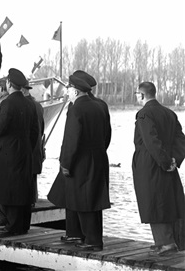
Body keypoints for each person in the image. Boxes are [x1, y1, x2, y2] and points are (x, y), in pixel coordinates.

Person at [47, 74, 111, 251]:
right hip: (98, 158)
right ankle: (91, 238)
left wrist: (66, 163)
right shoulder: (100, 106)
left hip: (80, 161)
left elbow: (71, 139)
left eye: (68, 89)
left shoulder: (77, 109)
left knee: (83, 201)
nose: (67, 91)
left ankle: (91, 241)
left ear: (75, 91)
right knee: (93, 200)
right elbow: (107, 135)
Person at [0, 68, 39, 236]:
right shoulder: (30, 104)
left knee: (7, 189)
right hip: (25, 151)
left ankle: (12, 226)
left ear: (9, 84)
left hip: (7, 153)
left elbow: (1, 125)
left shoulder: (8, 103)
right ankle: (23, 225)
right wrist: (28, 145)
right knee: (22, 189)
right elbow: (35, 130)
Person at [132, 81, 185, 255]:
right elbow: (181, 140)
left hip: (151, 165)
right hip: (167, 163)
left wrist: (164, 162)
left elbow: (151, 142)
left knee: (154, 202)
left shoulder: (144, 114)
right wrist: (175, 160)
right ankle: (164, 242)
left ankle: (166, 243)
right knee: (167, 201)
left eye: (136, 94)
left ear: (141, 95)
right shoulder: (170, 113)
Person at [22, 84, 45, 204]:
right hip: (36, 148)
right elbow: (41, 128)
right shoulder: (38, 106)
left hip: (25, 149)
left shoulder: (23, 105)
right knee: (32, 180)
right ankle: (32, 201)